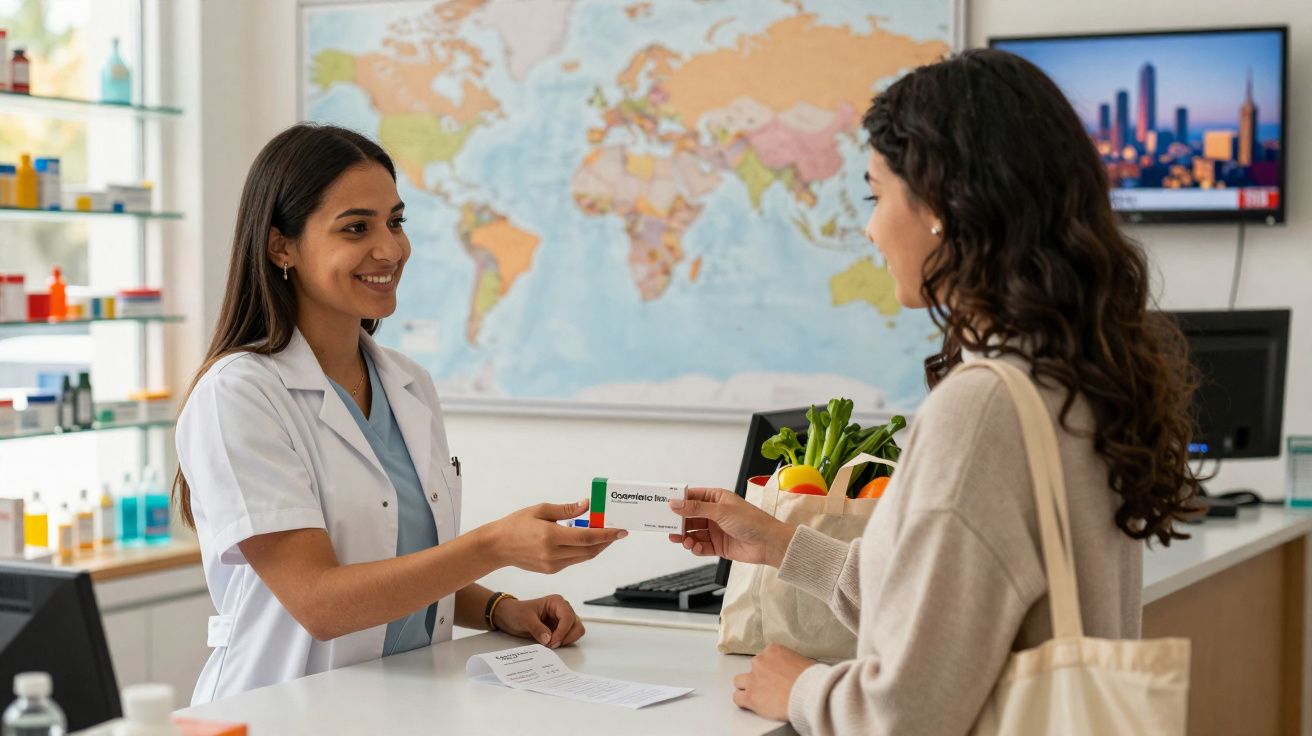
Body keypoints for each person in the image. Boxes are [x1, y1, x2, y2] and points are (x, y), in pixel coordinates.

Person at [667, 49, 1200, 734]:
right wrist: (780, 544)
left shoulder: (984, 408)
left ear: (943, 205)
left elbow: (908, 712)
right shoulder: (1075, 374)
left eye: (876, 195)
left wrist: (801, 690)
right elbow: (949, 609)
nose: (870, 228)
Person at [174, 124, 626, 705]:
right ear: (281, 246)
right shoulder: (239, 395)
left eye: (395, 221)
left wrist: (499, 608)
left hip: (401, 705)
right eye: (356, 227)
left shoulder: (407, 384)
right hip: (280, 708)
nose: (390, 249)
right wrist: (494, 545)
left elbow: (400, 564)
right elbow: (321, 603)